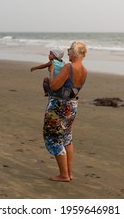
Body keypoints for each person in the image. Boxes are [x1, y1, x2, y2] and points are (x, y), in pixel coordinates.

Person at [43, 41, 87, 182]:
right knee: (67, 138)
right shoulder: (84, 70)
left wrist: (51, 74)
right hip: (72, 105)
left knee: (54, 138)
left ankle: (63, 175)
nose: (67, 53)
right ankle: (69, 173)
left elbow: (55, 86)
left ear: (74, 53)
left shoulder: (69, 67)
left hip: (59, 106)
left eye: (69, 50)